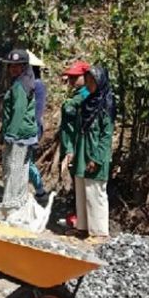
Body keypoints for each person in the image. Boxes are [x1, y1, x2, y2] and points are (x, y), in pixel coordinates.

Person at [72, 66, 114, 243]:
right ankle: (83, 228)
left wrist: (96, 158)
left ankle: (99, 232)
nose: (89, 84)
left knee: (95, 192)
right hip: (82, 151)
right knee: (82, 189)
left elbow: (106, 135)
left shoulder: (106, 105)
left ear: (100, 82)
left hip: (95, 152)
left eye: (92, 81)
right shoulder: (87, 102)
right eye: (87, 80)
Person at [0, 49, 38, 216]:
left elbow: (19, 110)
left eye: (17, 66)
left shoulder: (20, 85)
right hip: (27, 134)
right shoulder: (26, 81)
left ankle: (9, 206)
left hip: (19, 135)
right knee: (22, 170)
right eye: (11, 66)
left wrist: (10, 135)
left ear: (24, 66)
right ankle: (19, 204)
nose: (13, 69)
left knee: (12, 169)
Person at [59, 60, 91, 230]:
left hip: (77, 145)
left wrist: (70, 149)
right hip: (71, 144)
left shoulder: (85, 96)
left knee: (81, 182)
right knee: (75, 181)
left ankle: (81, 218)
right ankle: (77, 215)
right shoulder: (77, 94)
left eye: (75, 77)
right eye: (70, 77)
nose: (71, 80)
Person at [28, 51, 48, 202]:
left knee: (26, 161)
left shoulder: (35, 85)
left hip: (32, 127)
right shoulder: (37, 84)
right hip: (34, 126)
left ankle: (40, 190)